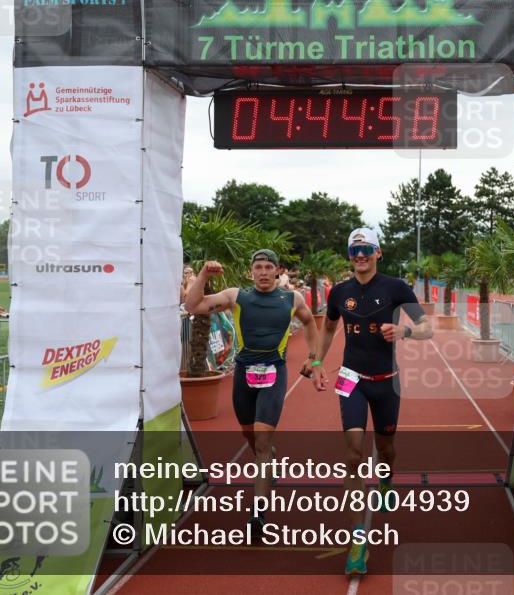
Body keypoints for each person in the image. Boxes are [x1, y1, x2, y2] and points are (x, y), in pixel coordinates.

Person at [184, 249, 326, 539]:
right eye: (258, 267)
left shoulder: (292, 299)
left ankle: (258, 511)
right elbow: (193, 305)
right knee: (250, 437)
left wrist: (313, 357)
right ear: (251, 272)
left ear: (277, 271)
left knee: (261, 441)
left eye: (268, 267)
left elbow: (311, 322)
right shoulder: (238, 297)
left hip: (275, 374)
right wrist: (203, 275)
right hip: (244, 376)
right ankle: (267, 456)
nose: (263, 272)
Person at [316, 227, 433, 575]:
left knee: (386, 449)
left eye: (366, 249)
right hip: (351, 381)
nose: (360, 256)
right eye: (354, 251)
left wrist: (404, 331)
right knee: (352, 456)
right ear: (349, 256)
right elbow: (326, 329)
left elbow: (428, 327)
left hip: (386, 383)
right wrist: (319, 361)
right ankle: (357, 539)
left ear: (378, 252)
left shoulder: (396, 288)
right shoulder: (339, 292)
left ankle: (386, 478)